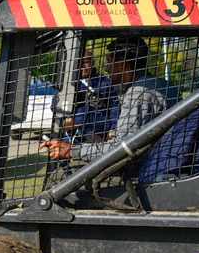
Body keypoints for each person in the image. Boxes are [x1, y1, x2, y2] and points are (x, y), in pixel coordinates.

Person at [42, 37, 179, 164]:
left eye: (109, 62)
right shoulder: (163, 86)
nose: (107, 69)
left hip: (145, 168)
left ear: (122, 64)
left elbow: (122, 149)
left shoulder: (138, 94)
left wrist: (72, 150)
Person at [57, 51, 119, 144]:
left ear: (93, 63)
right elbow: (56, 105)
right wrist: (66, 121)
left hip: (98, 138)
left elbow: (115, 108)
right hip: (72, 138)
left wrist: (113, 130)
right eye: (80, 63)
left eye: (86, 62)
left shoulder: (105, 83)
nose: (83, 66)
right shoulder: (69, 84)